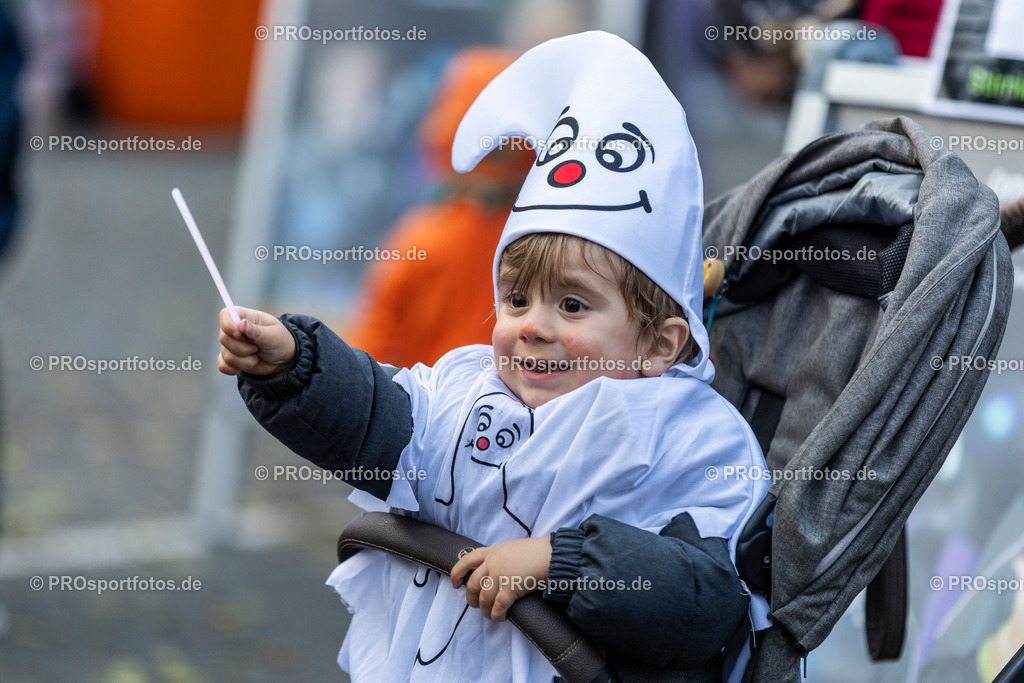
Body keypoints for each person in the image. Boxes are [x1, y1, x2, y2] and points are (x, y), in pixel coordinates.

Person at [218, 32, 769, 681]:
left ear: (658, 344)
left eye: (571, 305)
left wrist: (558, 560)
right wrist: (296, 366)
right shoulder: (465, 391)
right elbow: (376, 420)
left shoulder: (692, 438)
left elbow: (704, 599)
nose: (532, 326)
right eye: (515, 298)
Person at [345, 47, 533, 367]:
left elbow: (366, 354)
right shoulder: (546, 240)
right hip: (514, 413)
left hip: (425, 411)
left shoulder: (421, 237)